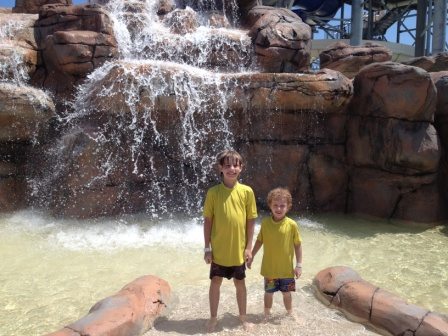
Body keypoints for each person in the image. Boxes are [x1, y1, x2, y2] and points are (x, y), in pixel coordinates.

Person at [203, 149, 258, 332]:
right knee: (215, 282)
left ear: (241, 168)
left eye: (236, 165)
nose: (232, 169)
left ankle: (243, 318)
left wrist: (249, 247)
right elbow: (208, 221)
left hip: (238, 251)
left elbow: (251, 221)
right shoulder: (213, 193)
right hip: (218, 251)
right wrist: (207, 248)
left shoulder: (247, 192)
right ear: (220, 168)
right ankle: (212, 317)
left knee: (240, 284)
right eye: (227, 165)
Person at [248, 187, 302, 320]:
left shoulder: (292, 225)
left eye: (282, 206)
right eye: (275, 206)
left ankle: (290, 313)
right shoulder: (265, 224)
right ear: (270, 206)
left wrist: (299, 265)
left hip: (287, 270)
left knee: (287, 293)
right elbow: (260, 241)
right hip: (270, 269)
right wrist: (252, 256)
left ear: (288, 207)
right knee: (268, 293)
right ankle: (266, 314)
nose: (278, 209)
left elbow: (298, 245)